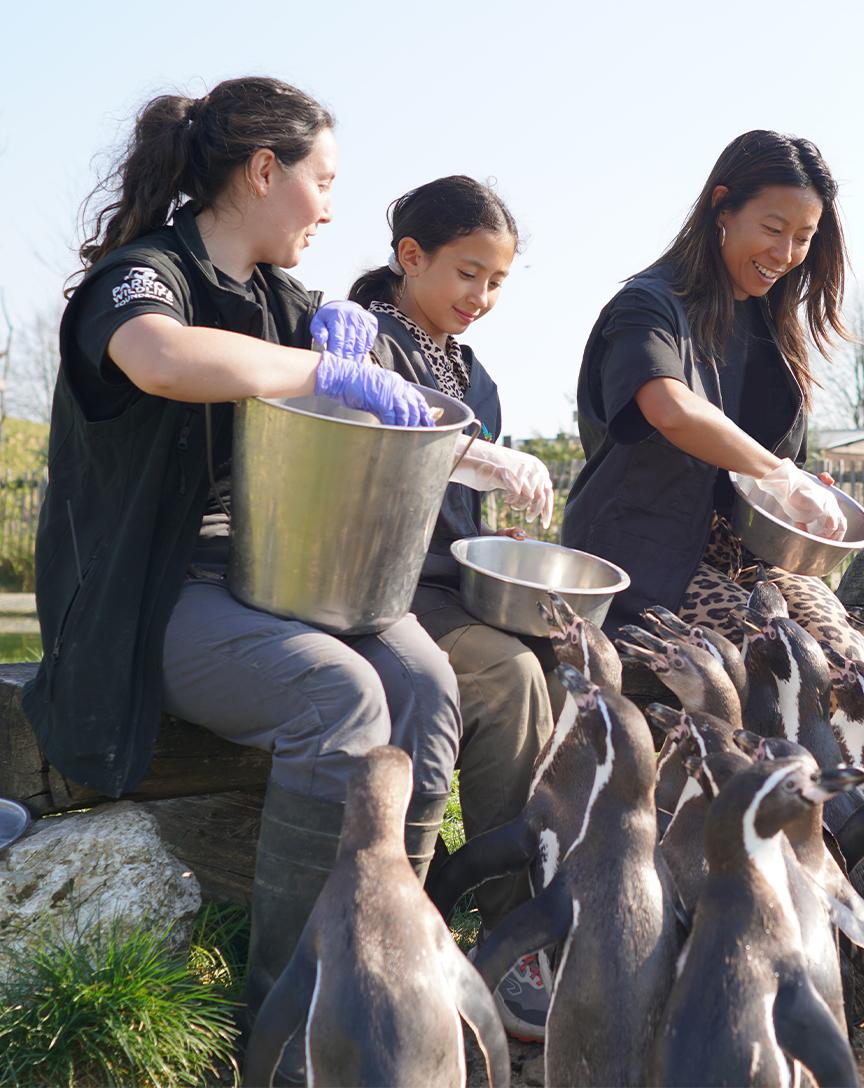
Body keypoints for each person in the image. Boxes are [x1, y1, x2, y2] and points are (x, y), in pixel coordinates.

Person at [22, 77, 462, 1069]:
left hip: (274, 578)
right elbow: (163, 359)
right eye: (325, 179)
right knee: (340, 692)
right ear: (266, 171)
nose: (333, 206)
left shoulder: (287, 302)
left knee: (426, 683)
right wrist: (317, 371)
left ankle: (391, 974)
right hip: (155, 599)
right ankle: (289, 1026)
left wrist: (475, 444)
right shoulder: (143, 278)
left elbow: (390, 401)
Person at [349, 176, 556, 1041]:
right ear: (410, 258)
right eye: (468, 275)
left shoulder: (480, 376)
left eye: (498, 282)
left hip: (444, 588)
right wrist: (474, 457)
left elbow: (462, 526)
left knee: (553, 665)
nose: (482, 298)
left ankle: (535, 916)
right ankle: (510, 942)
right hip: (370, 589)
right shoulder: (360, 342)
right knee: (508, 678)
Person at [563, 130, 864, 657]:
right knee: (782, 657)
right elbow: (669, 407)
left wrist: (794, 491)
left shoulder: (769, 320)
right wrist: (778, 474)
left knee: (846, 655)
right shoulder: (648, 306)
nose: (787, 253)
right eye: (773, 229)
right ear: (722, 207)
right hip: (643, 557)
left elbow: (769, 463)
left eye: (803, 237)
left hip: (753, 558)